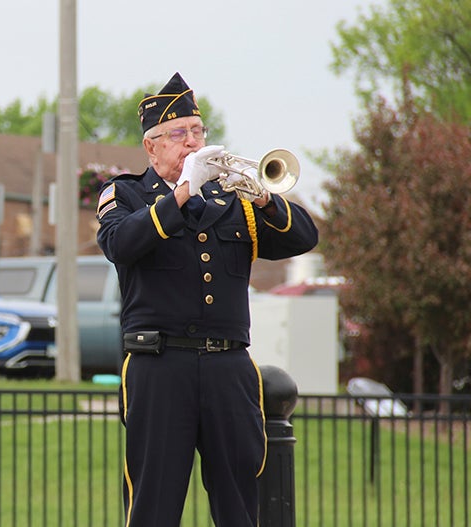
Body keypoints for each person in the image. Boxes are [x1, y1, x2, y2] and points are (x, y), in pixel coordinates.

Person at [96, 72, 319, 527]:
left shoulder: (233, 200)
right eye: (179, 134)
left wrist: (264, 198)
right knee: (154, 502)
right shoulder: (126, 194)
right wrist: (182, 193)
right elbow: (120, 244)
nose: (192, 141)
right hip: (160, 364)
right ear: (151, 146)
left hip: (228, 366)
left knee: (239, 498)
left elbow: (304, 236)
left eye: (198, 131)